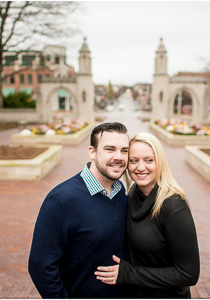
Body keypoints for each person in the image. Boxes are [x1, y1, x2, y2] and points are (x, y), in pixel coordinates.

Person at [28, 122, 130, 298]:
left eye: (124, 151)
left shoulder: (120, 192)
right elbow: (41, 266)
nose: (119, 157)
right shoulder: (61, 200)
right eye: (110, 149)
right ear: (92, 152)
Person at [94, 132, 200, 297]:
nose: (140, 167)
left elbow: (188, 274)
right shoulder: (132, 193)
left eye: (149, 160)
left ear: (160, 162)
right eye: (134, 161)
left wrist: (129, 274)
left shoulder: (173, 205)